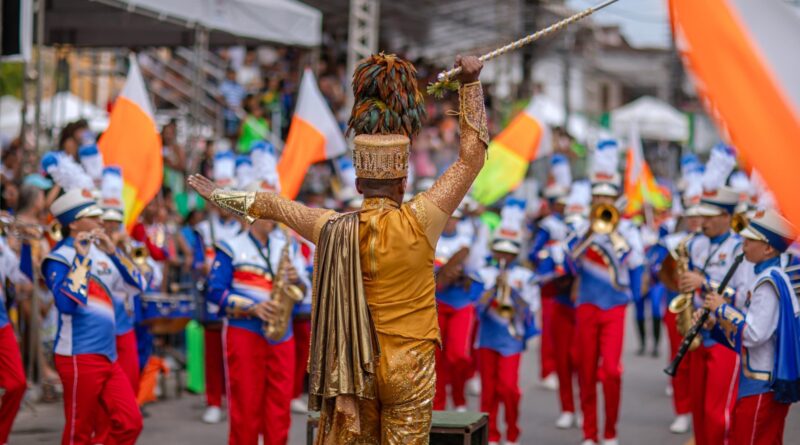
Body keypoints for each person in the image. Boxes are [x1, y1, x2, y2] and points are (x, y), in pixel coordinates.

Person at [189, 53, 487, 443]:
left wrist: (221, 196)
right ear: (403, 180)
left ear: (359, 185)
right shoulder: (422, 218)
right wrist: (470, 84)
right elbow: (472, 158)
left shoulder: (331, 227)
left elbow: (274, 205)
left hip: (353, 368)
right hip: (409, 365)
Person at [207, 178, 310, 445]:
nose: (272, 217)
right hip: (244, 333)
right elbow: (214, 292)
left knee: (279, 408)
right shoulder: (230, 246)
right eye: (266, 210)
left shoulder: (287, 243)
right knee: (245, 407)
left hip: (281, 333)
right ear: (251, 213)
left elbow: (304, 290)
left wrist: (296, 280)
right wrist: (253, 306)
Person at [42, 189, 144, 445]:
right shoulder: (57, 258)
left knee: (131, 423)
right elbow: (66, 304)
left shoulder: (103, 252)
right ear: (74, 223)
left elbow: (140, 283)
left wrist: (113, 253)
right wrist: (81, 259)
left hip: (109, 356)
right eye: (93, 215)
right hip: (78, 355)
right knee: (79, 432)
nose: (101, 221)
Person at [702, 208, 800, 445]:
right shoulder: (769, 276)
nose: (743, 244)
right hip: (760, 379)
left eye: (750, 240)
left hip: (761, 383)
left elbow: (754, 335)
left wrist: (721, 308)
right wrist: (715, 324)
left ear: (768, 248)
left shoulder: (768, 283)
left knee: (749, 439)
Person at [571, 139, 645, 445]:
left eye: (607, 197)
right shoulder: (579, 228)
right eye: (597, 197)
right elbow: (569, 261)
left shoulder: (627, 230)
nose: (602, 202)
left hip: (614, 306)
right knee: (586, 370)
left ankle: (610, 431)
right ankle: (590, 433)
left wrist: (614, 235)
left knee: (611, 372)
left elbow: (636, 264)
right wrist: (590, 231)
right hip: (586, 304)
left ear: (615, 201)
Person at [679, 185, 751, 445]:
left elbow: (740, 295)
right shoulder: (696, 243)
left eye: (709, 216)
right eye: (702, 215)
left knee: (718, 414)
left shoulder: (739, 248)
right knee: (698, 409)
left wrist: (703, 282)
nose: (702, 221)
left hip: (724, 336)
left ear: (726, 216)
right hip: (698, 331)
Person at [476, 199, 539, 445]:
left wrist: (510, 291)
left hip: (512, 339)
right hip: (487, 339)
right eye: (500, 251)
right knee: (488, 392)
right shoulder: (483, 274)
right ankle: (491, 435)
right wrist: (494, 289)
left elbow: (529, 312)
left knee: (509, 389)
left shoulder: (526, 277)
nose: (504, 256)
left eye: (509, 251)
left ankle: (512, 432)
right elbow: (477, 310)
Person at [433, 207, 478, 412]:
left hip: (461, 303)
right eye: (447, 219)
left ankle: (459, 399)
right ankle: (438, 405)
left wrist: (462, 275)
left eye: (454, 219)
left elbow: (477, 275)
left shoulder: (467, 243)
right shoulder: (430, 240)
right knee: (437, 357)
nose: (450, 222)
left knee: (458, 355)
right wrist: (441, 274)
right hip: (437, 303)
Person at [0, 232, 32, 444]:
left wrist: (27, 247)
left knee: (17, 384)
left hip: (1, 323)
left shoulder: (2, 245)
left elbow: (24, 280)